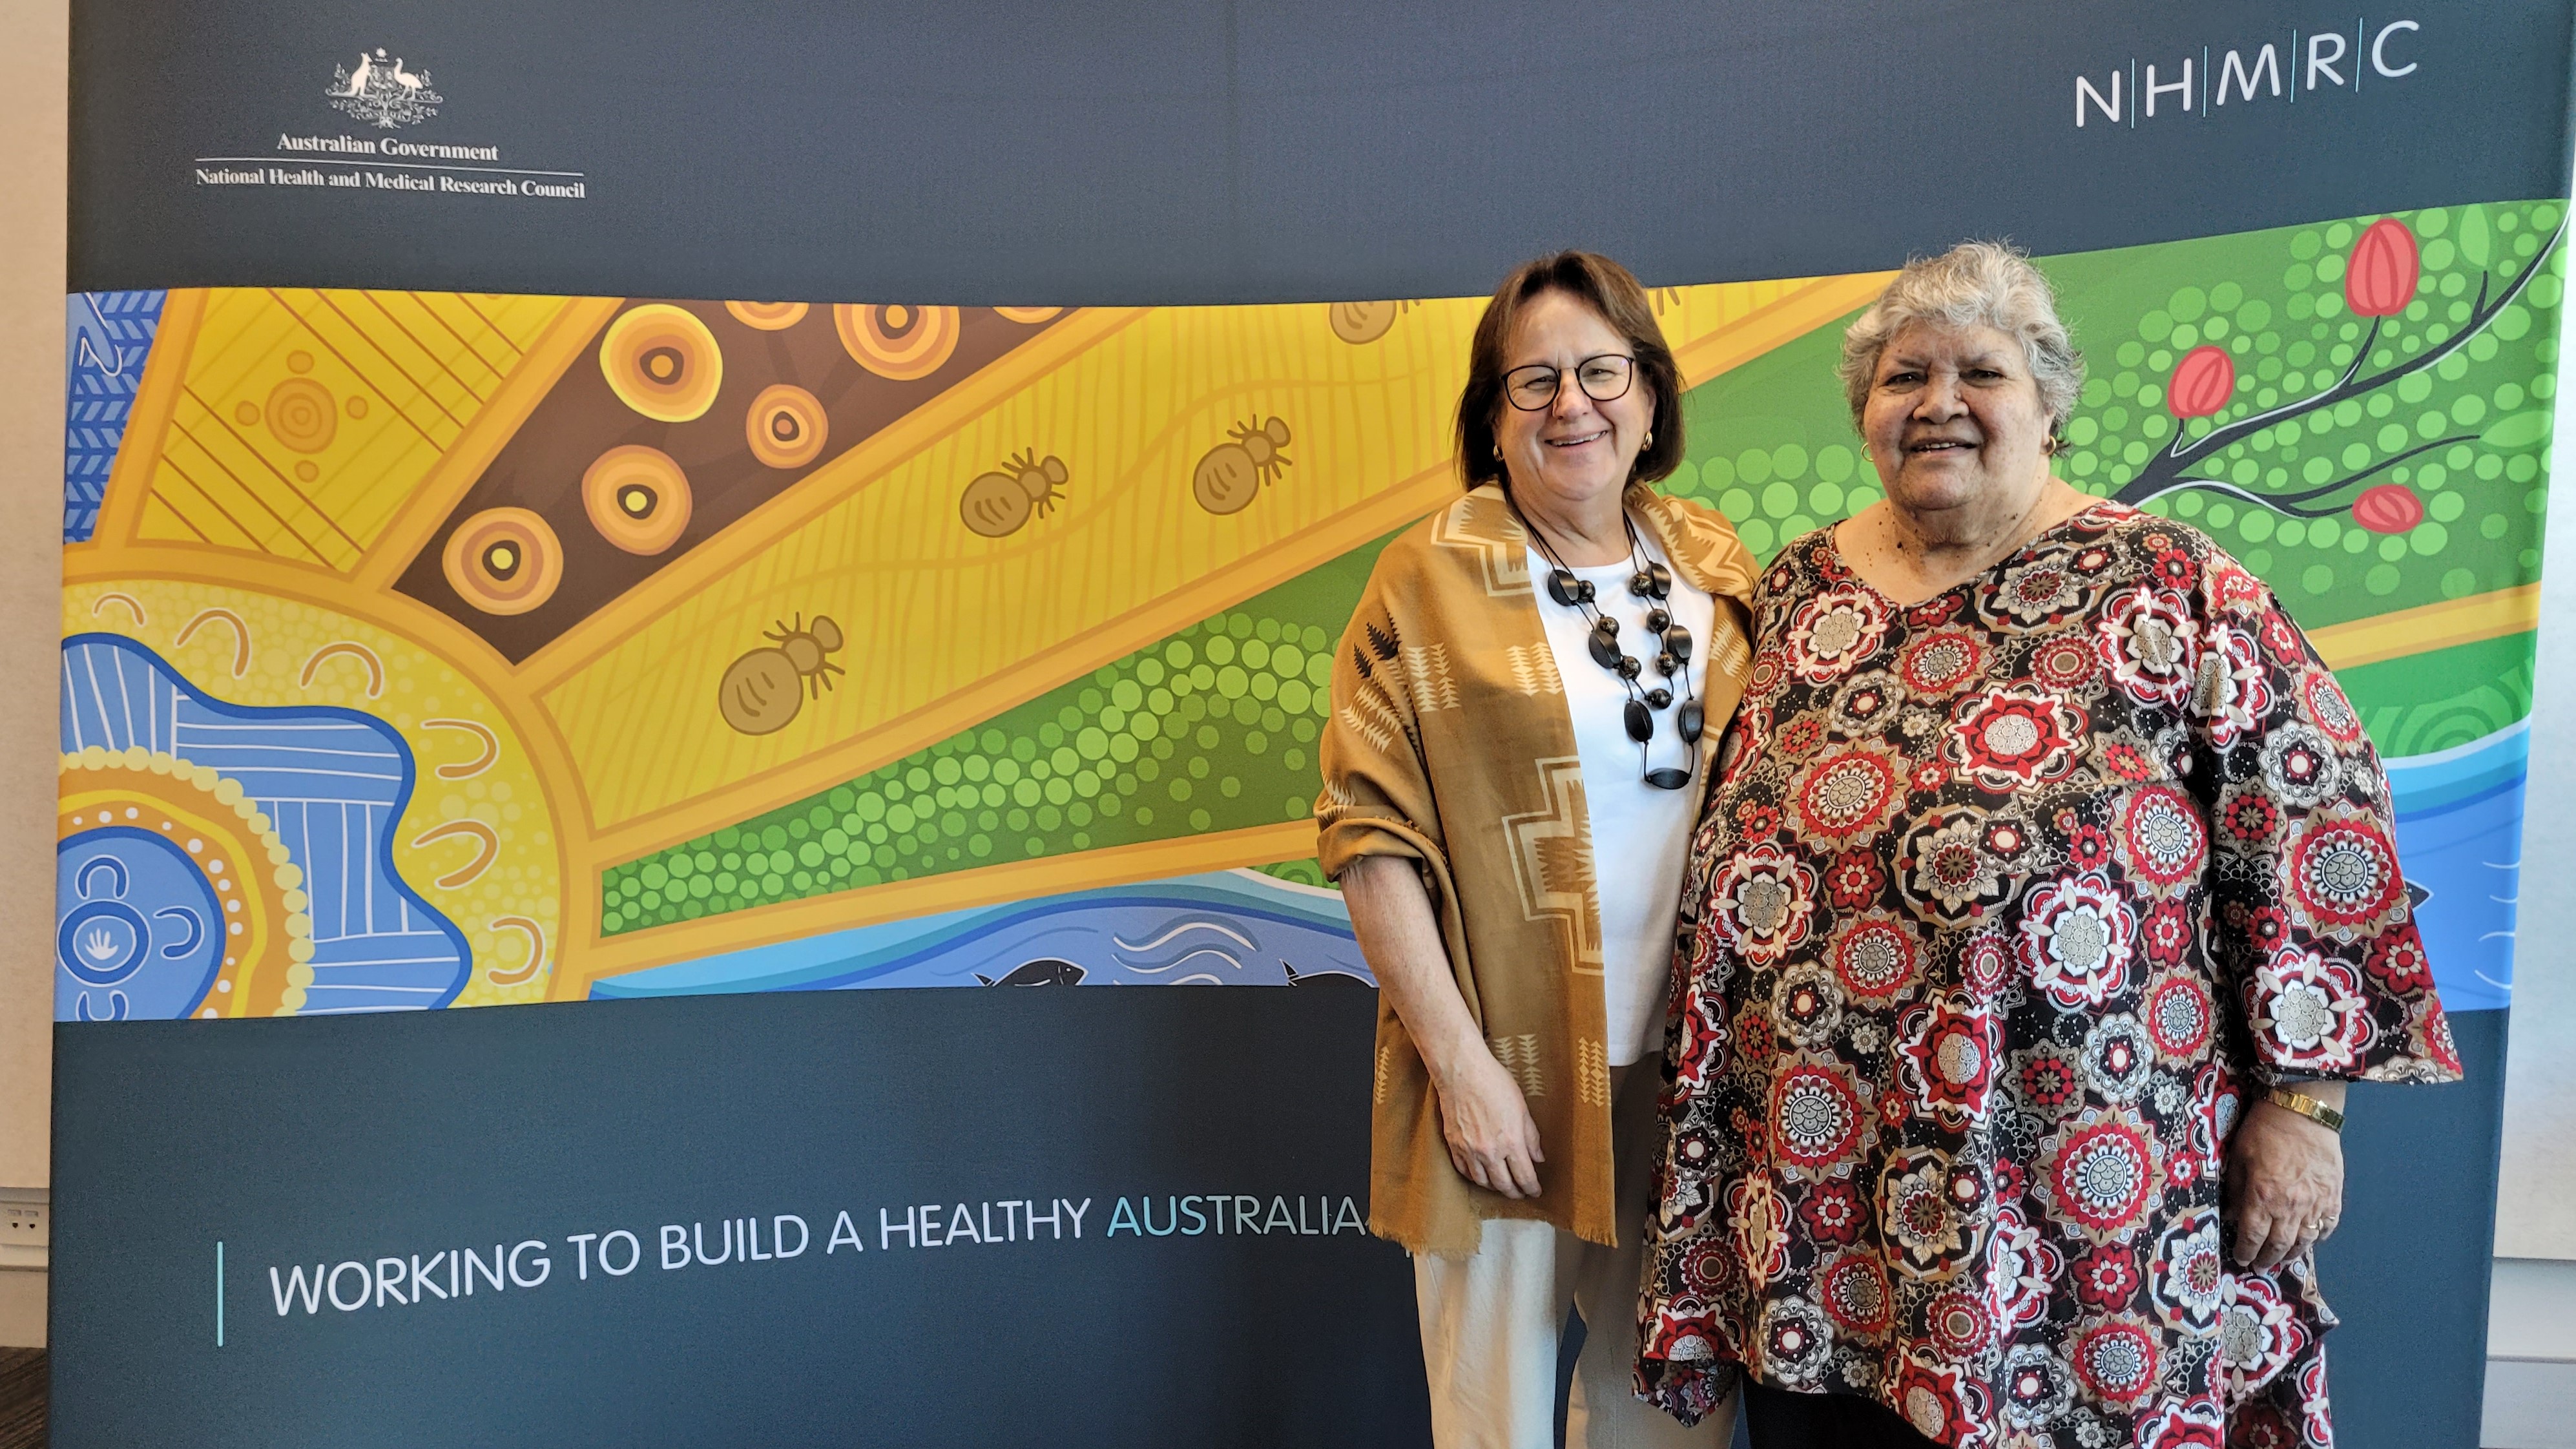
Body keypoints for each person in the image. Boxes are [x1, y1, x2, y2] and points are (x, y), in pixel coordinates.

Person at [1633, 242, 2460, 1448]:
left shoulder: (2168, 585)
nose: (1939, 404)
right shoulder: (1802, 588)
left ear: (2051, 405)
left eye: (1983, 373)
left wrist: (2305, 1107)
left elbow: (2317, 824)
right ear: (1865, 410)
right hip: (1819, 1199)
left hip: (2079, 1202)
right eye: (1903, 376)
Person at [1318, 251, 1758, 1447]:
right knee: (1492, 1414)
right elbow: (1370, 840)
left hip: (1688, 1069)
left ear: (1652, 395)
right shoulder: (1427, 577)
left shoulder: (1719, 568)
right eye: (1535, 381)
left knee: (1666, 1409)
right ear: (1492, 417)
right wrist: (1462, 1073)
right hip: (1505, 1067)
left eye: (1603, 370)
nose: (1574, 404)